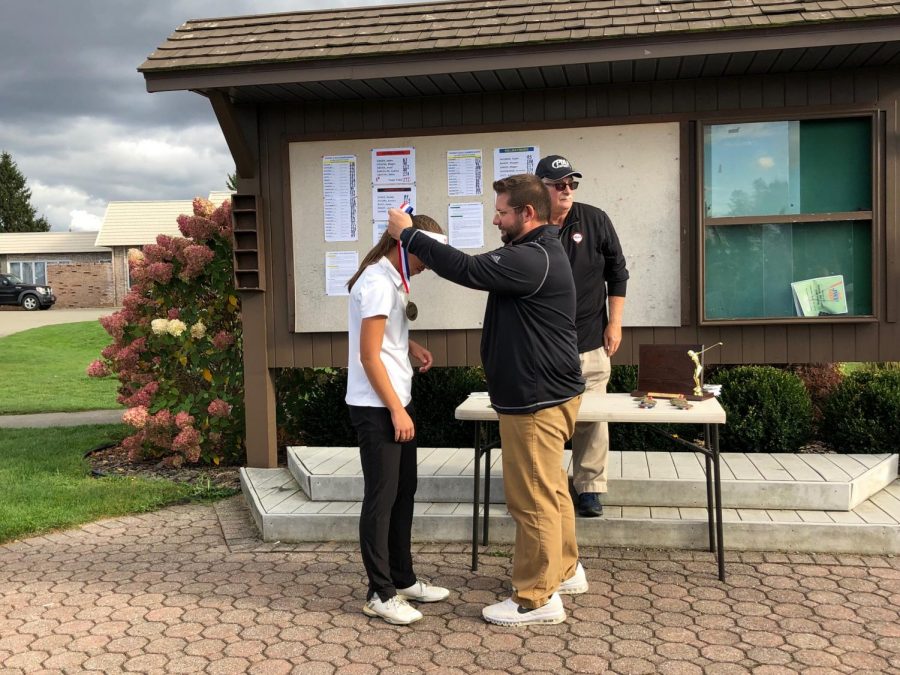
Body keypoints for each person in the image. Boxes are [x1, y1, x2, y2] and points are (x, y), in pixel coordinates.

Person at [387, 174, 587, 627]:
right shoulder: (537, 252)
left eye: (501, 212)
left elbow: (468, 269)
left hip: (535, 402)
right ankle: (565, 570)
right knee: (552, 490)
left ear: (527, 214)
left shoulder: (532, 257)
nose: (495, 218)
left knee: (531, 498)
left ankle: (537, 598)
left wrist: (409, 234)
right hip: (548, 394)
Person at [345, 215, 451, 626]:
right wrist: (395, 409)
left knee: (404, 492)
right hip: (377, 407)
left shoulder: (392, 279)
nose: (429, 264)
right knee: (381, 499)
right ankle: (379, 592)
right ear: (407, 246)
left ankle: (402, 579)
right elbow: (368, 355)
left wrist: (411, 347)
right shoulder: (375, 282)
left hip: (392, 400)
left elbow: (384, 339)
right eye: (427, 255)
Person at [535, 154, 629, 518]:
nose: (567, 189)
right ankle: (549, 488)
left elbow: (617, 273)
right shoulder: (532, 224)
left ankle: (589, 487)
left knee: (592, 419)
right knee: (547, 420)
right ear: (541, 187)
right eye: (559, 184)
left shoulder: (594, 219)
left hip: (590, 339)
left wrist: (615, 323)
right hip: (544, 347)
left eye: (572, 183)